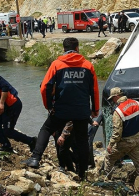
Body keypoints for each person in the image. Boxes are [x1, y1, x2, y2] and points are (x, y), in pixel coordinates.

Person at [21, 37, 99, 181]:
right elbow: (93, 89)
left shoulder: (57, 64)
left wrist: (49, 106)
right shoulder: (88, 65)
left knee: (46, 129)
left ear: (64, 49)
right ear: (77, 48)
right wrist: (95, 109)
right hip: (82, 111)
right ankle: (82, 173)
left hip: (61, 109)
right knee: (82, 140)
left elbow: (45, 87)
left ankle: (35, 158)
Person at [103, 87, 139, 193]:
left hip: (125, 142)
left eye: (113, 98)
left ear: (116, 97)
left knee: (109, 158)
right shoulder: (136, 103)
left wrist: (110, 145)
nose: (112, 100)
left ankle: (107, 180)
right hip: (137, 138)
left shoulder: (118, 112)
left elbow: (117, 133)